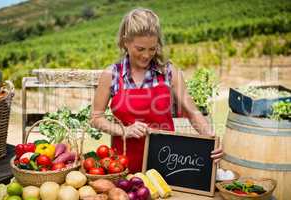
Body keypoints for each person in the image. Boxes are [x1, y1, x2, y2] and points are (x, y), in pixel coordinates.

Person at [91, 8, 223, 173]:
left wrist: (211, 139)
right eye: (140, 49)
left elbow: (192, 113)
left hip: (167, 165)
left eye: (152, 49)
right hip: (122, 168)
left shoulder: (168, 72)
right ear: (126, 42)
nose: (147, 55)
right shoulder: (112, 74)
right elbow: (96, 118)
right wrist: (124, 130)